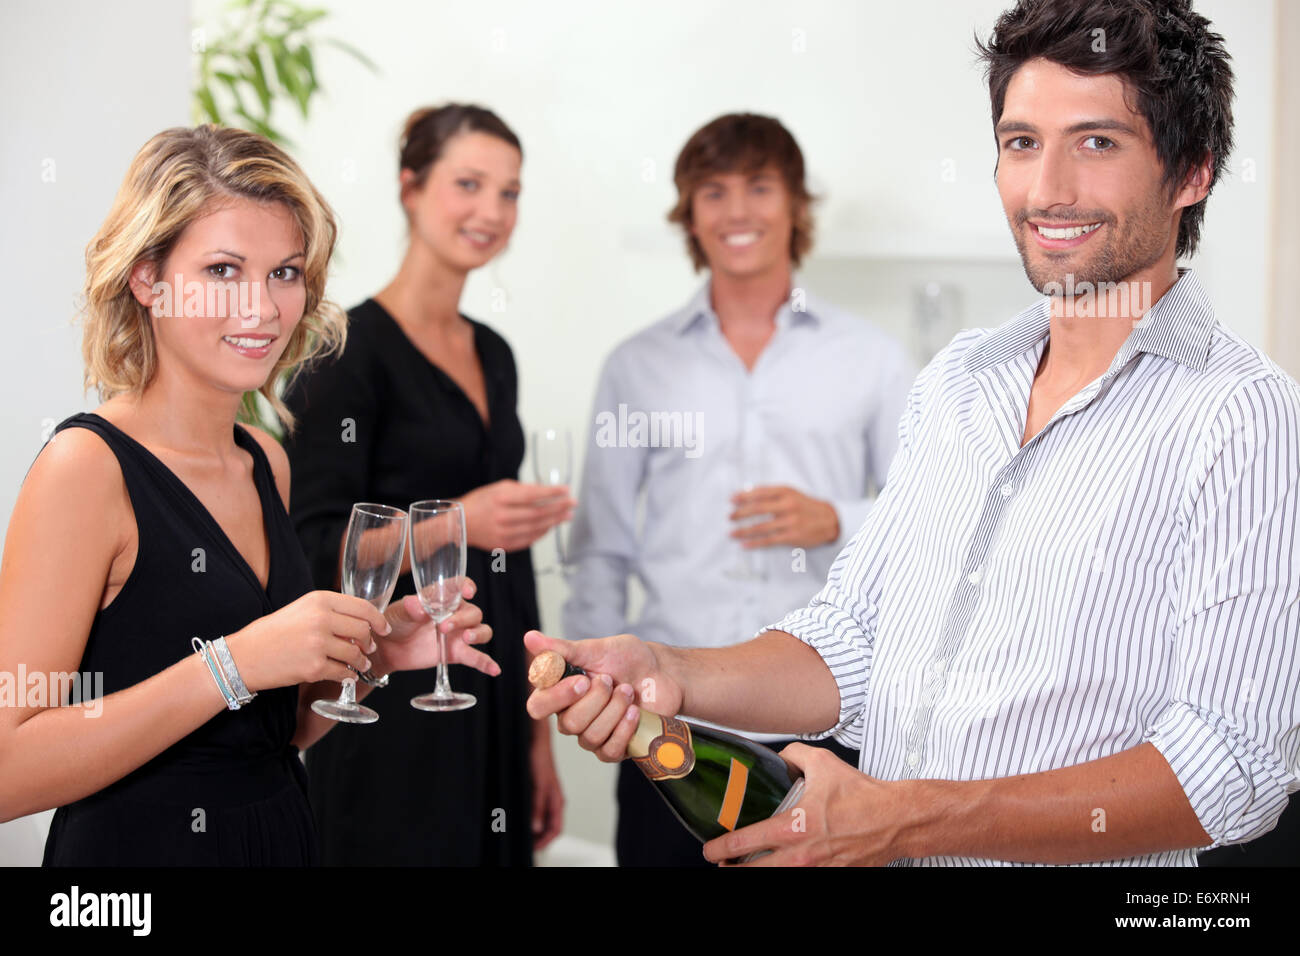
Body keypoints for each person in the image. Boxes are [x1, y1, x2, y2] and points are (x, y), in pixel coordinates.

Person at [531, 0, 1298, 866]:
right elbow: (854, 640)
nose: (1047, 189)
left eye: (1097, 142)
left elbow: (1234, 762)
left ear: (1192, 171)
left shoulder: (1239, 413)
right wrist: (669, 670)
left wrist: (908, 817)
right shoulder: (960, 382)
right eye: (1020, 142)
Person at [0, 124, 496, 866]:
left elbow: (277, 730)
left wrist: (374, 657)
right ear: (148, 279)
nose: (262, 309)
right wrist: (230, 663)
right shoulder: (87, 467)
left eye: (285, 273)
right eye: (224, 270)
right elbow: (9, 770)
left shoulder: (266, 460)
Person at [563, 112, 915, 865]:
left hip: (828, 731)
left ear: (795, 204)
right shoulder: (636, 366)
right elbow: (600, 552)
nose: (738, 211)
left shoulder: (875, 360)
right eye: (713, 192)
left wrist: (837, 518)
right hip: (668, 727)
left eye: (760, 186)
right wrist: (590, 686)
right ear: (689, 214)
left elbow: (927, 525)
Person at [282, 104, 569, 866]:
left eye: (509, 192)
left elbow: (513, 566)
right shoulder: (340, 356)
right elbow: (312, 550)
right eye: (468, 184)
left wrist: (537, 737)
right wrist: (457, 522)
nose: (492, 211)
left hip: (491, 692)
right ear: (410, 187)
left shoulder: (495, 354)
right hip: (388, 709)